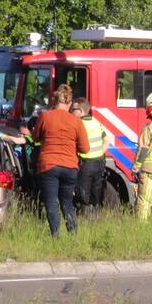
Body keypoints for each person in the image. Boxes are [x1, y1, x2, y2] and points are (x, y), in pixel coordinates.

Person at [31, 84, 89, 237]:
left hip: (48, 165)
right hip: (70, 167)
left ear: (53, 101)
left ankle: (55, 236)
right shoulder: (76, 121)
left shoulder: (45, 116)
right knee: (67, 202)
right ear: (69, 103)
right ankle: (73, 235)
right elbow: (85, 149)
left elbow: (35, 137)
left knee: (51, 202)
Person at [70, 97, 111, 210]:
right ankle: (96, 215)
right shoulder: (95, 122)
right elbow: (107, 139)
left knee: (83, 193)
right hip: (99, 162)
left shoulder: (79, 124)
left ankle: (85, 217)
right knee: (96, 192)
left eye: (74, 110)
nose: (72, 112)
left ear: (81, 111)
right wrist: (100, 152)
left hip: (86, 163)